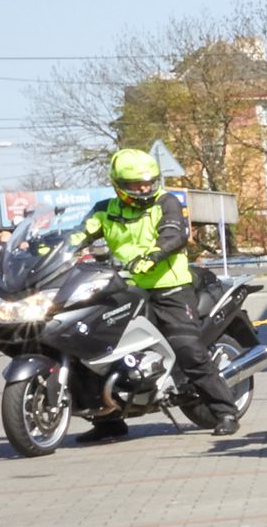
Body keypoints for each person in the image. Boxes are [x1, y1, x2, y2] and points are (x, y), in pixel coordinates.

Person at [75, 151, 236, 439]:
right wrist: (49, 249)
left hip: (168, 286)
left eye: (149, 182)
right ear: (118, 185)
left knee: (187, 346)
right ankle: (108, 421)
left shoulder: (166, 202)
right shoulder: (104, 210)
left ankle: (224, 411)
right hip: (124, 287)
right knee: (95, 346)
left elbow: (174, 234)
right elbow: (78, 234)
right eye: (136, 184)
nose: (144, 188)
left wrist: (153, 256)